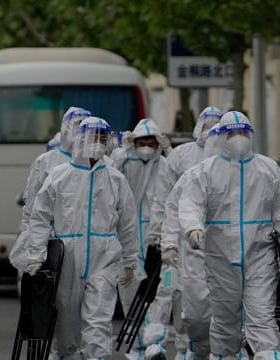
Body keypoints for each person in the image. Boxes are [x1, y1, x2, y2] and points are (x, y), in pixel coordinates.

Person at [178, 111, 280, 360]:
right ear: (221, 137)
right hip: (219, 257)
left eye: (243, 133)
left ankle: (267, 354)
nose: (238, 138)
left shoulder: (268, 169)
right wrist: (192, 227)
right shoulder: (206, 171)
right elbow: (190, 202)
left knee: (262, 315)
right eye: (232, 133)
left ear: (251, 135)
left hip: (259, 256)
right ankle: (224, 355)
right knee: (225, 319)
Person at [24, 116, 138, 359]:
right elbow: (40, 215)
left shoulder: (115, 179)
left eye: (102, 137)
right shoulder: (59, 175)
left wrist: (130, 260)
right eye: (93, 135)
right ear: (81, 139)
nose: (97, 141)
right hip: (67, 258)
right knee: (66, 328)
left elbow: (128, 222)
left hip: (104, 257)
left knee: (98, 324)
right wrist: (36, 254)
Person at [142, 106, 223, 360]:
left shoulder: (227, 159)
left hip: (213, 244)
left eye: (215, 125)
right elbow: (164, 198)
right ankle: (153, 343)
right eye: (206, 124)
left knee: (201, 299)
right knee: (167, 291)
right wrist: (159, 237)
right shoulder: (181, 155)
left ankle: (189, 347)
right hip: (177, 240)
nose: (210, 130)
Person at [111, 118, 168, 359]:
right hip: (128, 239)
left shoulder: (165, 165)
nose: (146, 146)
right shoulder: (124, 163)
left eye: (150, 142)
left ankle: (155, 343)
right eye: (141, 142)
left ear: (158, 144)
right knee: (130, 293)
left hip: (158, 240)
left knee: (159, 293)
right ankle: (136, 346)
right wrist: (122, 153)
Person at [10, 106, 92, 271]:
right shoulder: (46, 162)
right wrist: (32, 244)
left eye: (85, 127)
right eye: (76, 125)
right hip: (52, 242)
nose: (80, 132)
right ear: (65, 127)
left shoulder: (95, 162)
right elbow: (33, 206)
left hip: (86, 243)